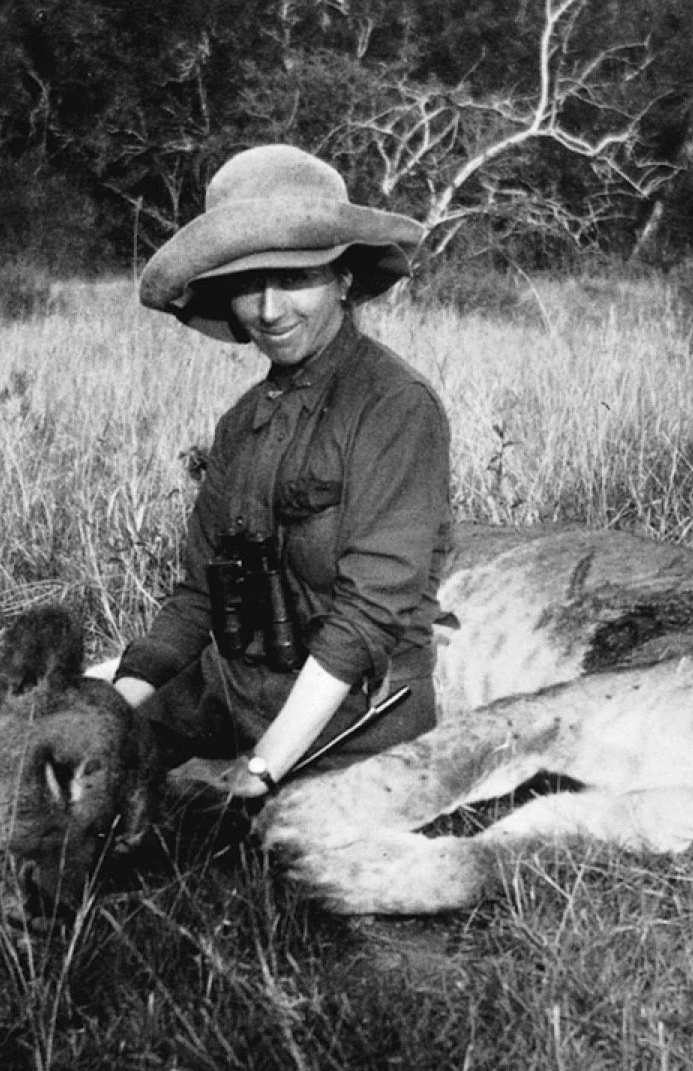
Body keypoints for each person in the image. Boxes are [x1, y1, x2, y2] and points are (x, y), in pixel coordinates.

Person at [113, 144, 453, 801]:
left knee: (248, 860)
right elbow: (196, 597)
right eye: (246, 284)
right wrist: (114, 707)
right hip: (232, 694)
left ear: (344, 278)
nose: (269, 310)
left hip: (353, 720)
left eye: (294, 278)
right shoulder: (241, 423)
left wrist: (263, 768)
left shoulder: (393, 405)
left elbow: (370, 614)